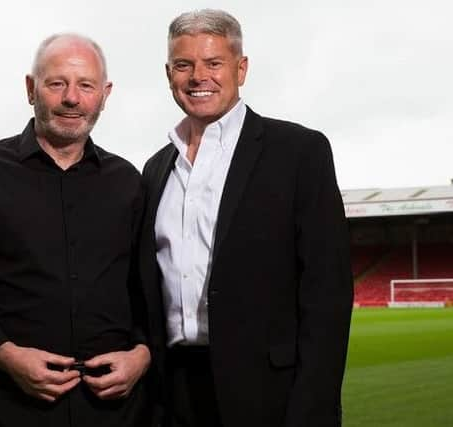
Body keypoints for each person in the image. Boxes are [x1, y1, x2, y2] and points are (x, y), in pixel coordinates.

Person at [0, 33, 152, 427]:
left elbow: (148, 288)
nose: (72, 98)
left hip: (117, 414)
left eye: (86, 85)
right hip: (14, 410)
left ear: (105, 93)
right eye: (57, 83)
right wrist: (5, 354)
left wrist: (143, 355)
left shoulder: (128, 181)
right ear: (31, 88)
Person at [139, 9, 354, 427]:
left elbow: (327, 295)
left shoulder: (298, 152)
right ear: (169, 74)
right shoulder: (155, 168)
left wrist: (313, 409)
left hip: (267, 395)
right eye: (184, 65)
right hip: (173, 395)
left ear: (241, 68)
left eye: (214, 63)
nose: (198, 76)